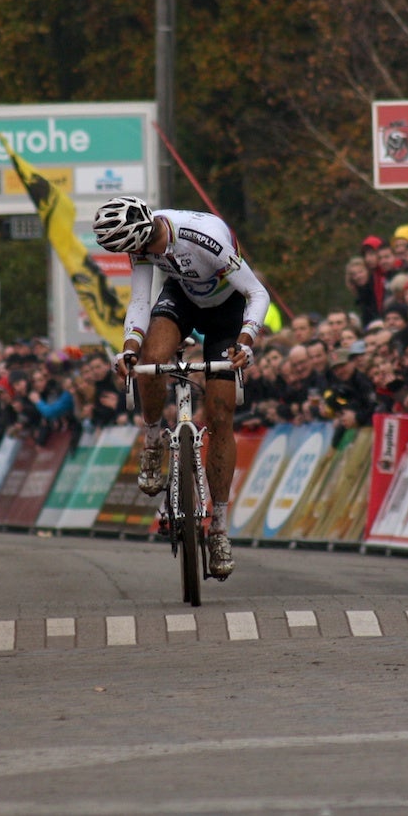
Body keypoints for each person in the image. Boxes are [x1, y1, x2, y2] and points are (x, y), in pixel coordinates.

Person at [93, 196, 269, 580]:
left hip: (228, 310)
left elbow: (258, 294)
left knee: (222, 413)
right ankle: (154, 440)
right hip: (184, 297)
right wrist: (128, 349)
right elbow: (140, 300)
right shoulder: (139, 242)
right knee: (149, 362)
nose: (132, 254)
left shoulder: (203, 238)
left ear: (142, 234)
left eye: (131, 248)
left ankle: (219, 529)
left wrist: (246, 341)